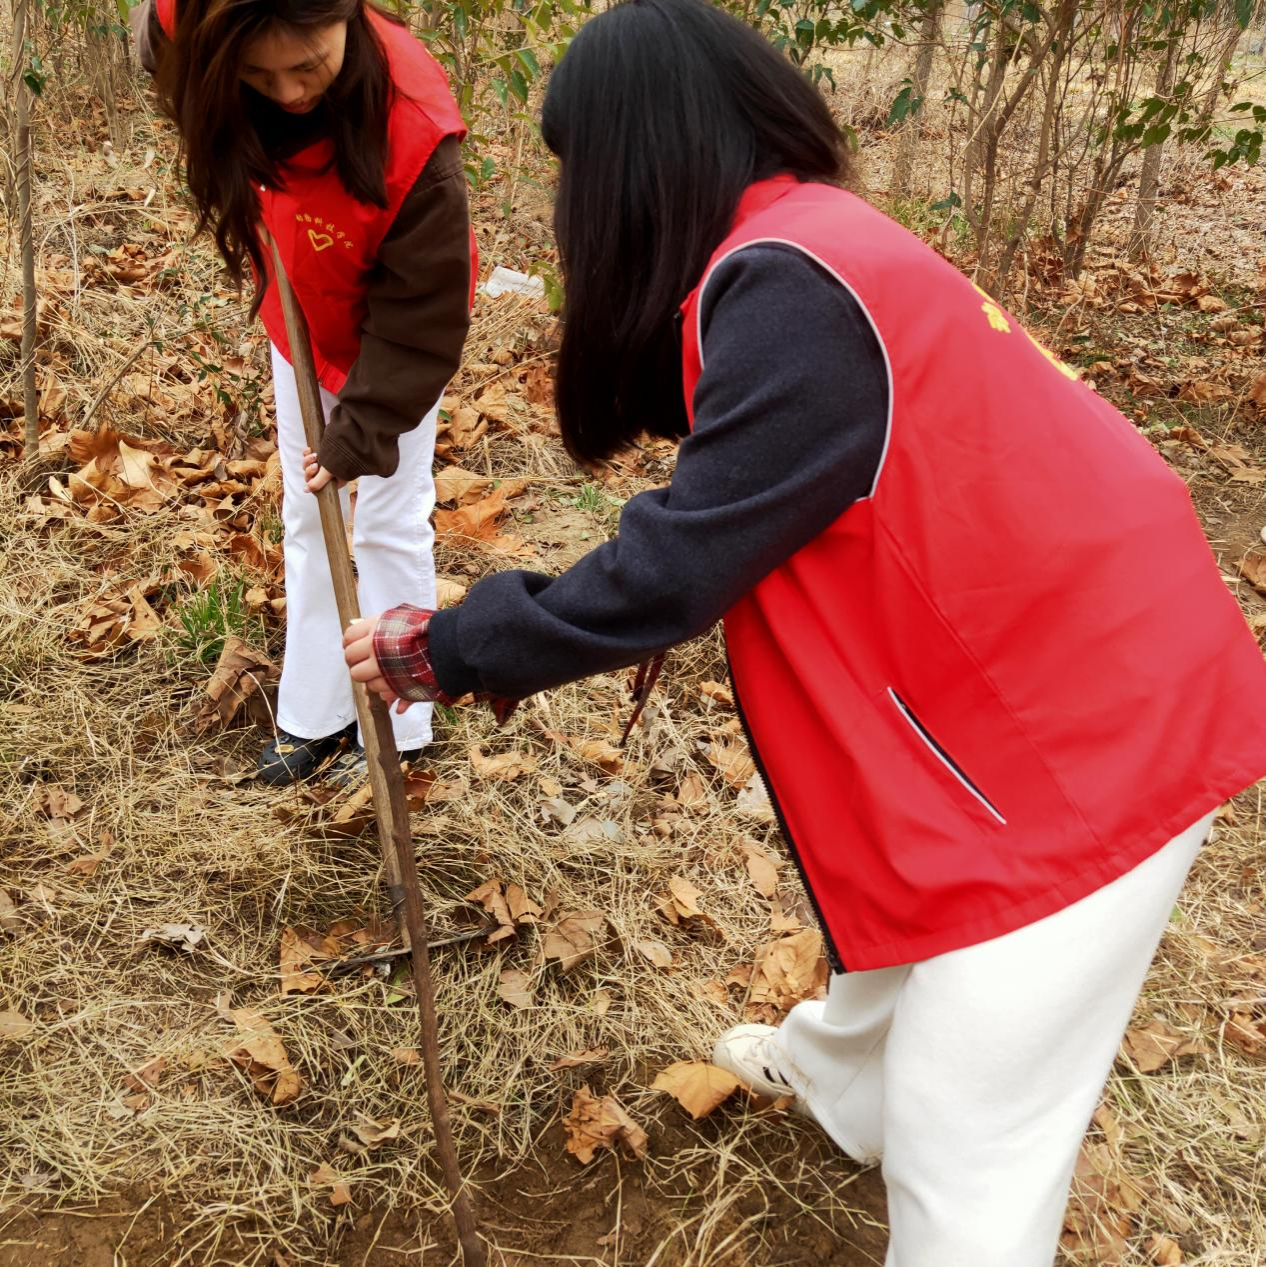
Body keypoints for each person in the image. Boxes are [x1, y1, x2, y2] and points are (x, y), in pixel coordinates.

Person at [343, 0, 1266, 1262]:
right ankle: (841, 1080)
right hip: (1073, 657)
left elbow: (670, 571)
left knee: (970, 1140)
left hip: (1101, 726)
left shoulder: (790, 294)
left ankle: (909, 1139)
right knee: (909, 913)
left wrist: (450, 648)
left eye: (572, 168)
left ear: (631, 159)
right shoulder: (801, 242)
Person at [134, 0, 474, 785]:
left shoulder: (415, 132)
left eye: (306, 67)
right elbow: (165, 46)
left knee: (387, 516)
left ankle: (399, 723)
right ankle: (315, 709)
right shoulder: (191, 27)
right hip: (302, 308)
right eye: (258, 74)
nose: (287, 93)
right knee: (306, 509)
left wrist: (361, 431)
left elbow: (421, 322)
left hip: (396, 339)